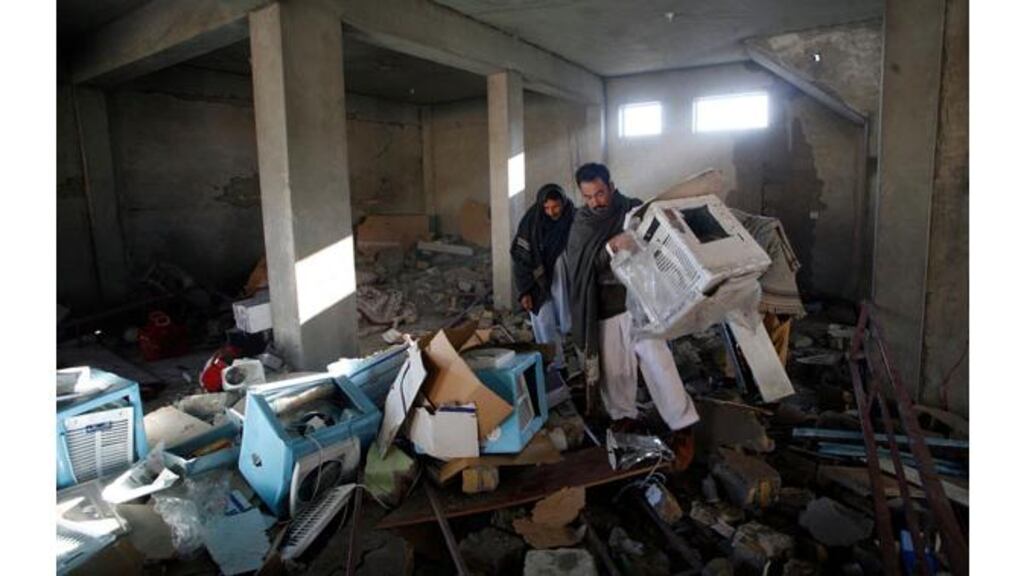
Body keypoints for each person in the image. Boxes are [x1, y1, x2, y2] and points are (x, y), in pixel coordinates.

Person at [565, 163, 699, 470]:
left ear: (611, 186)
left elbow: (659, 243)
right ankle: (625, 423)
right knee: (616, 374)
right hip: (605, 309)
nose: (596, 202)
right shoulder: (582, 223)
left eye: (600, 193)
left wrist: (661, 227)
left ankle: (683, 427)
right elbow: (582, 267)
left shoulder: (633, 210)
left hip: (641, 305)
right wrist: (612, 246)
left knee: (659, 363)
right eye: (588, 197)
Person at [511, 183, 575, 371]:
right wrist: (524, 291)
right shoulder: (531, 222)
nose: (551, 212)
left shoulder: (573, 217)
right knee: (544, 322)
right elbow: (521, 257)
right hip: (537, 283)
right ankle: (555, 365)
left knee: (568, 319)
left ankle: (574, 359)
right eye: (547, 208)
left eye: (556, 207)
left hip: (564, 278)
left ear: (563, 203)